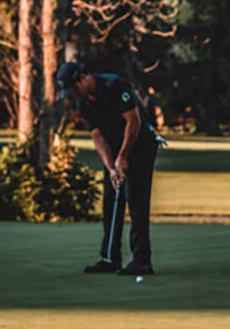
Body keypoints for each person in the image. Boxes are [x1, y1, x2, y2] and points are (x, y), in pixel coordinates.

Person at [56, 61, 161, 275]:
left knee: (136, 199)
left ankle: (142, 261)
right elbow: (97, 137)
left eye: (75, 89)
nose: (74, 95)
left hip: (140, 145)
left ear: (83, 77)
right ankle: (110, 257)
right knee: (111, 200)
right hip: (114, 149)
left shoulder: (114, 86)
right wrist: (111, 166)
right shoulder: (84, 103)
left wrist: (123, 156)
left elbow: (134, 122)